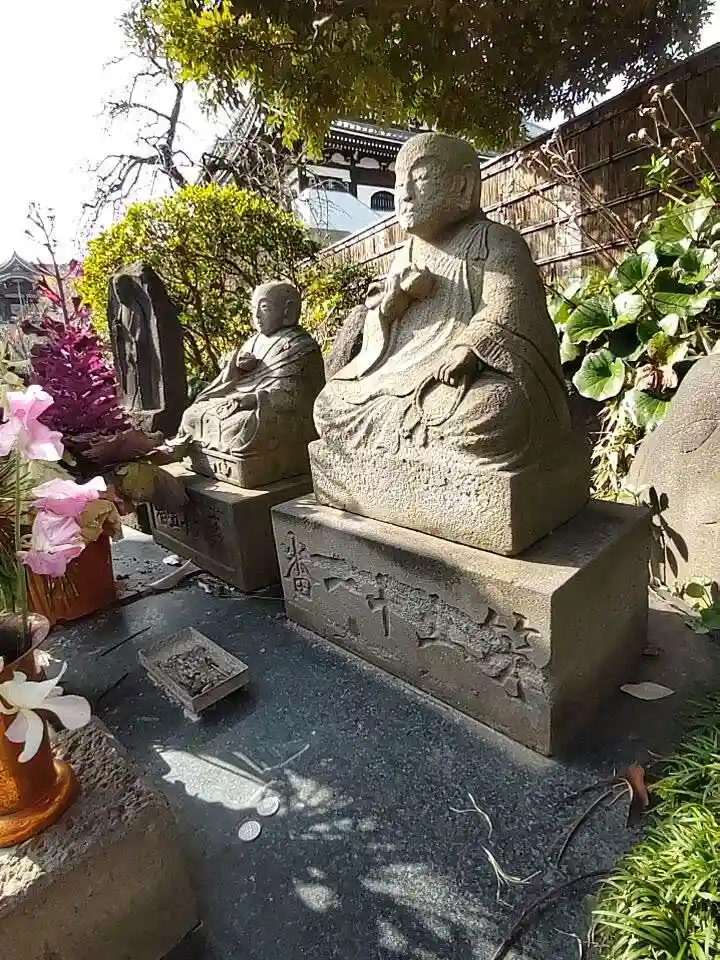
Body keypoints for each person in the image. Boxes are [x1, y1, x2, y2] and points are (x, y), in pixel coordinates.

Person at [314, 132, 571, 469]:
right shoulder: (404, 255)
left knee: (497, 408)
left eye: (420, 177)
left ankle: (407, 440)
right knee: (329, 404)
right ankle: (412, 442)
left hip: (454, 382)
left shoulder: (495, 242)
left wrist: (468, 349)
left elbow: (510, 307)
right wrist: (393, 305)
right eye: (399, 182)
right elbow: (379, 329)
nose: (405, 194)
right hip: (397, 375)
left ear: (463, 185)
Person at [179, 280, 324, 457]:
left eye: (264, 308)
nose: (256, 315)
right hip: (238, 398)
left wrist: (255, 398)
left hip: (278, 412)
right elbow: (231, 381)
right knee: (192, 413)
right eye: (254, 308)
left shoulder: (301, 346)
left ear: (288, 311)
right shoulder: (253, 342)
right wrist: (235, 369)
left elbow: (300, 395)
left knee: (242, 425)